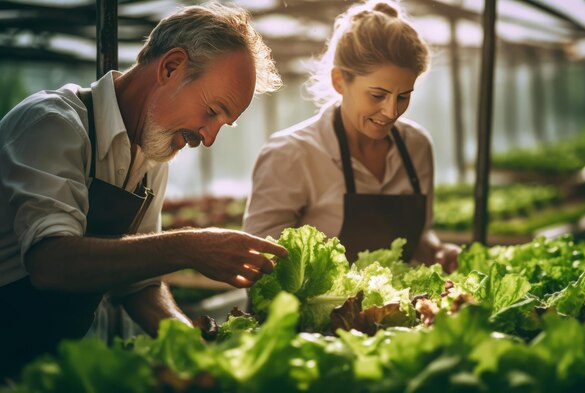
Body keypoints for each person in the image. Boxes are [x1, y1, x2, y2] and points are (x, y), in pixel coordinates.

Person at [0, 2, 287, 379]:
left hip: (47, 366)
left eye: (225, 124)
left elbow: (138, 285)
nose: (209, 137)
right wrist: (189, 246)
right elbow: (50, 263)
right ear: (171, 67)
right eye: (213, 111)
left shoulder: (152, 158)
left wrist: (197, 352)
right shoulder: (53, 124)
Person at [243, 0, 460, 270]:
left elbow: (418, 237)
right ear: (339, 81)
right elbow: (258, 262)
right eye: (377, 95)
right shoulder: (291, 153)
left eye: (403, 96)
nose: (391, 111)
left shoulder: (417, 145)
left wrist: (436, 251)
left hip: (390, 312)